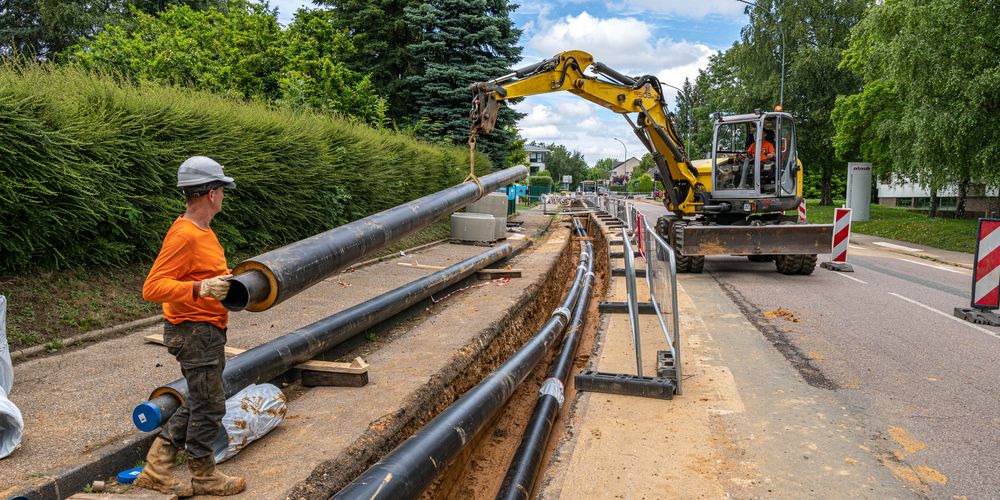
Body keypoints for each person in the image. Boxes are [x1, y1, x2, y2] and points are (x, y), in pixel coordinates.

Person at [135, 156, 245, 497]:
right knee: (210, 405)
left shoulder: (203, 231)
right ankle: (204, 474)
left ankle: (157, 467)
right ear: (211, 193)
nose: (224, 196)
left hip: (207, 330)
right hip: (193, 331)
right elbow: (152, 287)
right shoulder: (184, 235)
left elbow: (204, 277)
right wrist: (200, 289)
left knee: (201, 399)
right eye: (222, 190)